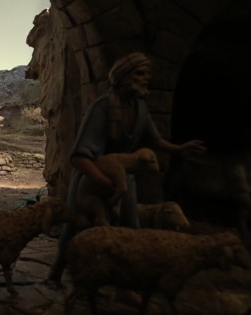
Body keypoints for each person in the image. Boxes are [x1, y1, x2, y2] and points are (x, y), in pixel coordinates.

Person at [46, 52, 206, 287]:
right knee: (76, 229)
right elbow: (80, 157)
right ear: (123, 77)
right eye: (140, 73)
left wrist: (179, 149)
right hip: (90, 181)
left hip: (123, 180)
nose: (146, 78)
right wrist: (104, 182)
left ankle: (125, 285)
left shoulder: (140, 108)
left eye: (147, 74)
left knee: (130, 228)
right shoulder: (101, 108)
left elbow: (154, 139)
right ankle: (56, 273)